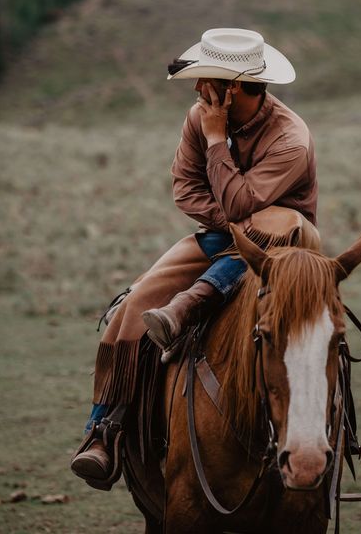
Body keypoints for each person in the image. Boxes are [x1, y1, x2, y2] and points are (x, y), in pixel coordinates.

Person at [70, 28, 318, 490]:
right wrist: (229, 219)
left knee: (275, 219)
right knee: (131, 306)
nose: (195, 88)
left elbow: (247, 205)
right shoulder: (197, 117)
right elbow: (186, 188)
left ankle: (190, 303)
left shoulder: (290, 139)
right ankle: (104, 427)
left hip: (284, 246)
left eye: (206, 80)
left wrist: (217, 139)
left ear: (234, 88)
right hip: (222, 237)